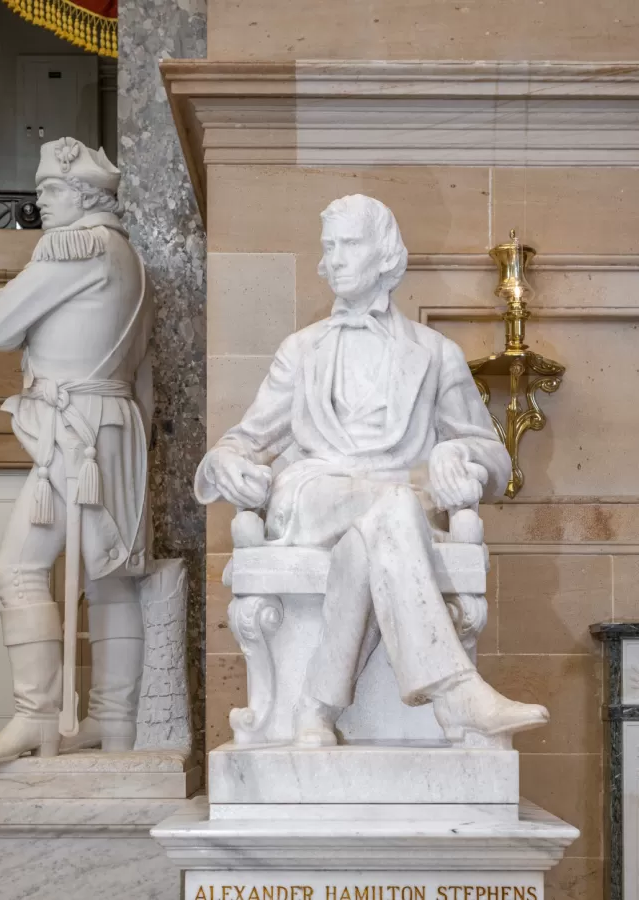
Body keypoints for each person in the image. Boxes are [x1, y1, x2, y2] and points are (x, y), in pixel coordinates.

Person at [194, 194, 548, 747]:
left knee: (384, 523)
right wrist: (225, 463)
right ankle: (455, 693)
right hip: (314, 497)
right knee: (400, 506)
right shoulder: (300, 350)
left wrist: (459, 455)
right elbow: (244, 440)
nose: (334, 258)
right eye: (328, 246)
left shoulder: (435, 353)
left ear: (385, 255)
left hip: (391, 510)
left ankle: (318, 704)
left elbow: (494, 459)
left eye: (349, 244)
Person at [0, 138, 153, 764]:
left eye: (50, 191)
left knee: (16, 570)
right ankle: (113, 724)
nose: (39, 203)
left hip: (74, 435)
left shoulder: (75, 247)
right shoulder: (130, 259)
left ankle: (36, 716)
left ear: (83, 195)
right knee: (108, 581)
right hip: (115, 430)